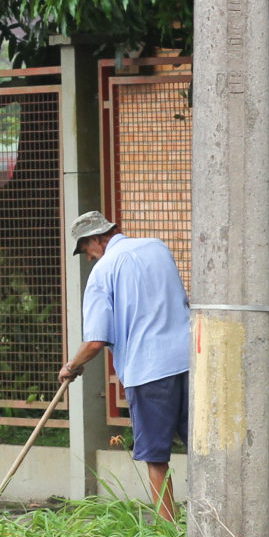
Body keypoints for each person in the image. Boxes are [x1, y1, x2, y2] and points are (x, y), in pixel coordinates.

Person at [58, 210, 190, 520]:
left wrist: (71, 366)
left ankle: (167, 531)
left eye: (86, 249)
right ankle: (216, 522)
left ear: (96, 239)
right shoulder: (157, 247)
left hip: (148, 370)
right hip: (190, 360)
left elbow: (95, 341)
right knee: (203, 448)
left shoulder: (103, 271)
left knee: (156, 457)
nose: (89, 257)